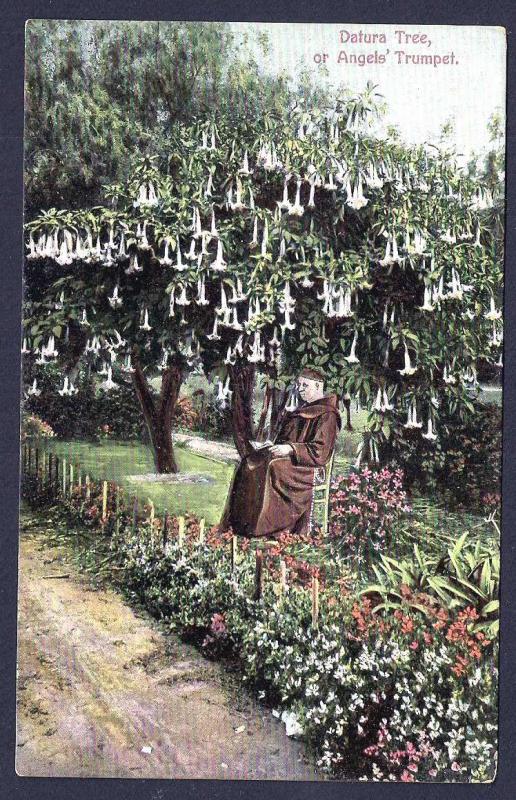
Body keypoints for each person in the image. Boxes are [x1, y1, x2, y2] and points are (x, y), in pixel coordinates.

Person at [221, 368, 341, 538]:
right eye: (298, 385)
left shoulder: (327, 414)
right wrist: (273, 445)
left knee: (272, 467)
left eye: (304, 386)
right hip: (292, 460)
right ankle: (242, 525)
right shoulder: (305, 409)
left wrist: (291, 448)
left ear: (318, 386)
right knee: (249, 462)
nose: (299, 390)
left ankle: (267, 528)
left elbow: (320, 451)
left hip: (307, 466)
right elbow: (288, 438)